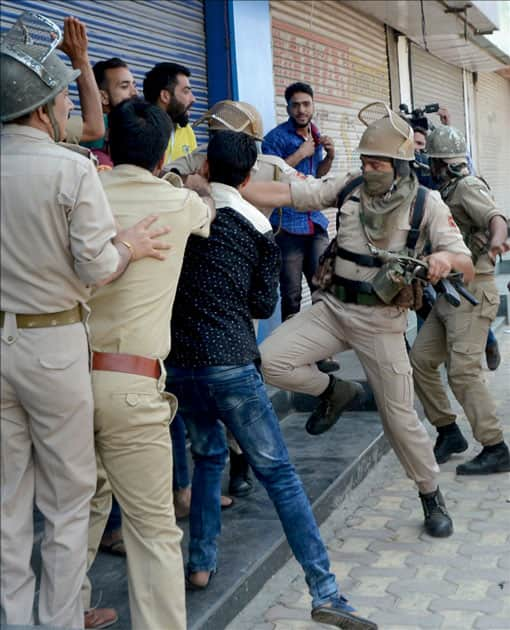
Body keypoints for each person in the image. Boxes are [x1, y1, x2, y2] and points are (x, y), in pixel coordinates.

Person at [165, 130, 377, 630]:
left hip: (179, 369)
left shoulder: (177, 214)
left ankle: (200, 563)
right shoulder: (256, 228)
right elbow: (264, 305)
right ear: (246, 176)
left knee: (208, 457)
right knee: (279, 475)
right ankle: (326, 590)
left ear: (208, 167)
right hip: (232, 368)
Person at [0, 14, 169, 629]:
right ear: (45, 109)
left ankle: (16, 620)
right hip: (54, 343)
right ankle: (62, 618)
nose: (70, 104)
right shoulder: (68, 168)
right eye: (65, 95)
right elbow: (97, 267)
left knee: (8, 499)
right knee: (69, 496)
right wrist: (129, 245)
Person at [259, 102, 475, 539]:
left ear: (399, 164)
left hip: (382, 324)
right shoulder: (350, 186)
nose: (368, 168)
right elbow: (289, 195)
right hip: (334, 311)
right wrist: (224, 189)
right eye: (364, 161)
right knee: (269, 360)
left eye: (377, 162)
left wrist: (440, 259)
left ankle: (430, 493)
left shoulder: (425, 203)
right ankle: (335, 391)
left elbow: (466, 263)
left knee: (400, 419)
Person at [83, 98, 214, 630]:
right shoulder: (177, 204)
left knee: (80, 511)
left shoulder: (83, 191)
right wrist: (187, 181)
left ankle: (66, 610)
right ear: (163, 155)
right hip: (132, 385)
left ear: (108, 146)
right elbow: (209, 206)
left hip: (65, 379)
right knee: (153, 529)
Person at [410, 125, 510, 474]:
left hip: (473, 291)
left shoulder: (467, 186)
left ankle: (495, 446)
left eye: (433, 162)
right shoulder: (448, 188)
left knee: (463, 373)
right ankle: (448, 431)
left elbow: (497, 217)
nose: (429, 168)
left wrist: (498, 238)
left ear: (442, 165)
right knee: (420, 361)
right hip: (449, 294)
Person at [262, 82, 335, 324]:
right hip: (287, 226)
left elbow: (318, 174)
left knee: (322, 290)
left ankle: (323, 351)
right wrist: (301, 153)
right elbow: (272, 176)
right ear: (288, 108)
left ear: (313, 105)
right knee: (292, 294)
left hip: (315, 223)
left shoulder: (315, 134)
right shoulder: (274, 139)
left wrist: (330, 156)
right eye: (296, 105)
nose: (301, 110)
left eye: (306, 104)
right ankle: (291, 353)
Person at [143, 61, 198, 161]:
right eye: (186, 91)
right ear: (165, 96)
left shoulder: (187, 131)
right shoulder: (140, 130)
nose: (193, 99)